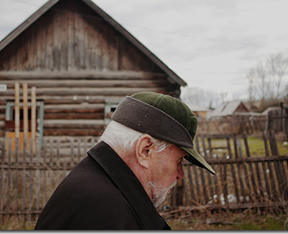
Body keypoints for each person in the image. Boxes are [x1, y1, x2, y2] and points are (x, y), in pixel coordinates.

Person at [34, 92, 215, 230]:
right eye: (179, 160)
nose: (180, 174)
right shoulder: (111, 217)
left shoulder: (92, 181)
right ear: (145, 150)